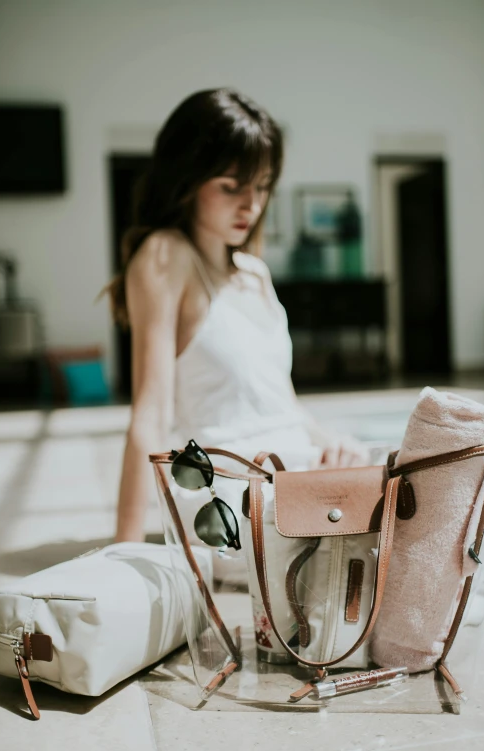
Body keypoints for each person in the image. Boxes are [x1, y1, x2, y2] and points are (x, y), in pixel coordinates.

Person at [103, 88, 368, 543]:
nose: (252, 204)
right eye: (231, 187)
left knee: (429, 504)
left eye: (262, 186)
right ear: (186, 180)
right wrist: (123, 553)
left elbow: (281, 405)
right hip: (230, 497)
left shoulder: (255, 273)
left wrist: (333, 442)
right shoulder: (165, 256)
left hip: (289, 478)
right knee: (390, 542)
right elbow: (150, 414)